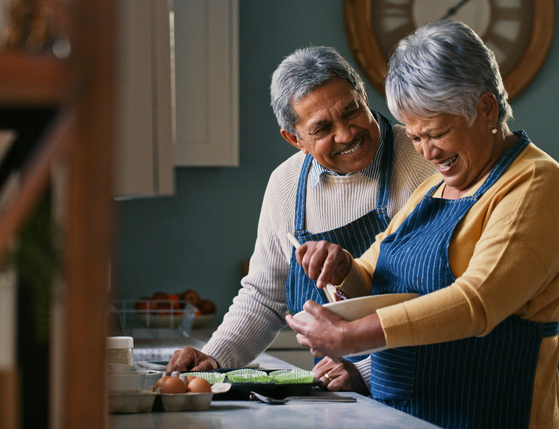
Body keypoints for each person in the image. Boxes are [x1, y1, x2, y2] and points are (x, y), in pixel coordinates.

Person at [286, 20, 559, 429]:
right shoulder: (432, 189)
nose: (426, 151)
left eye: (437, 133)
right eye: (415, 136)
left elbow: (477, 302)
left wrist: (354, 338)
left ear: (486, 108)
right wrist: (343, 267)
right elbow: (371, 273)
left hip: (492, 415)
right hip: (404, 417)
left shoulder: (534, 183)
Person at [165, 46, 436, 381]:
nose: (346, 134)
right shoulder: (286, 184)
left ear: (363, 94)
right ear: (294, 139)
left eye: (352, 111)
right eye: (322, 129)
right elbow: (265, 298)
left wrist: (365, 372)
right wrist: (214, 358)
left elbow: (443, 300)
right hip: (341, 396)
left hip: (425, 380)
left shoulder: (427, 160)